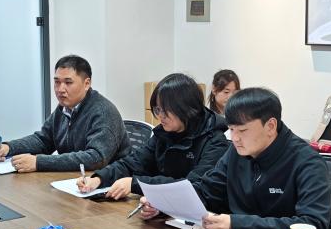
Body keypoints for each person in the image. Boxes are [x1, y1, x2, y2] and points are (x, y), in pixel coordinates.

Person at [141, 87, 331, 229]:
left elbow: (313, 227)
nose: (235, 138)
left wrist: (238, 227)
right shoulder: (237, 151)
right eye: (232, 129)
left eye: (242, 130)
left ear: (270, 126)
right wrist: (164, 203)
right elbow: (208, 190)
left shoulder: (307, 162)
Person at [77, 73, 229, 199]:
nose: (160, 116)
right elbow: (133, 163)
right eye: (157, 110)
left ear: (186, 109)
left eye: (165, 110)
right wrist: (98, 178)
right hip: (160, 206)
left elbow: (191, 187)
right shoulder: (163, 133)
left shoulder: (215, 141)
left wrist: (135, 183)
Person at [0, 54, 131, 173]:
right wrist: (9, 148)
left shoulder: (103, 112)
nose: (60, 89)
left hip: (109, 185)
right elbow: (43, 140)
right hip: (73, 180)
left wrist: (39, 162)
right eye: (57, 82)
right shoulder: (64, 107)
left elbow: (96, 158)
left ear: (86, 84)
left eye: (68, 83)